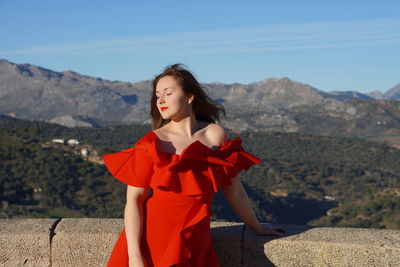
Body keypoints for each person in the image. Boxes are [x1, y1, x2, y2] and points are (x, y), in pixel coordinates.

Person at [103, 64, 287, 267]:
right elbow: (134, 201)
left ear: (190, 97)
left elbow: (234, 191)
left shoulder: (215, 135)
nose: (161, 100)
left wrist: (256, 227)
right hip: (152, 238)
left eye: (168, 93)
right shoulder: (152, 143)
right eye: (157, 95)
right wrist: (134, 256)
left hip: (197, 237)